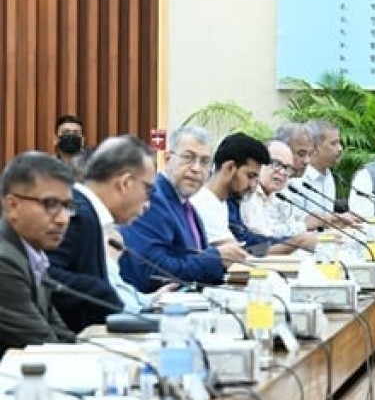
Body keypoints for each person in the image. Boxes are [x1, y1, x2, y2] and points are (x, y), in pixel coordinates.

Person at [47, 136, 163, 331]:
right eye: (148, 191)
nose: (148, 204)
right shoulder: (77, 214)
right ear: (125, 183)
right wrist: (100, 292)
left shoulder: (88, 212)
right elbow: (43, 275)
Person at [119, 126, 248, 292]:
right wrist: (216, 258)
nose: (196, 168)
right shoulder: (152, 199)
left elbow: (193, 259)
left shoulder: (186, 205)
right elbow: (152, 271)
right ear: (167, 159)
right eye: (188, 158)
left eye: (205, 162)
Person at [0, 152, 79, 356]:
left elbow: (60, 333)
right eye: (50, 204)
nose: (63, 219)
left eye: (67, 206)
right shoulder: (4, 261)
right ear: (12, 206)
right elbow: (42, 344)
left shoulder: (33, 254)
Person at [190, 132, 301, 256]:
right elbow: (241, 255)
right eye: (250, 176)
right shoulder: (205, 204)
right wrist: (295, 243)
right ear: (229, 168)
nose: (253, 186)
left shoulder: (223, 203)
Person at [291, 119, 344, 216]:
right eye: (333, 143)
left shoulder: (328, 175)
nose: (340, 148)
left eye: (339, 143)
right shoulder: (297, 178)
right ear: (314, 148)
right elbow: (295, 221)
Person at [54, 113, 91, 179]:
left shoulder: (91, 168)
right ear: (56, 139)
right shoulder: (48, 167)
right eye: (65, 132)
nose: (70, 136)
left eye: (76, 133)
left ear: (82, 140)